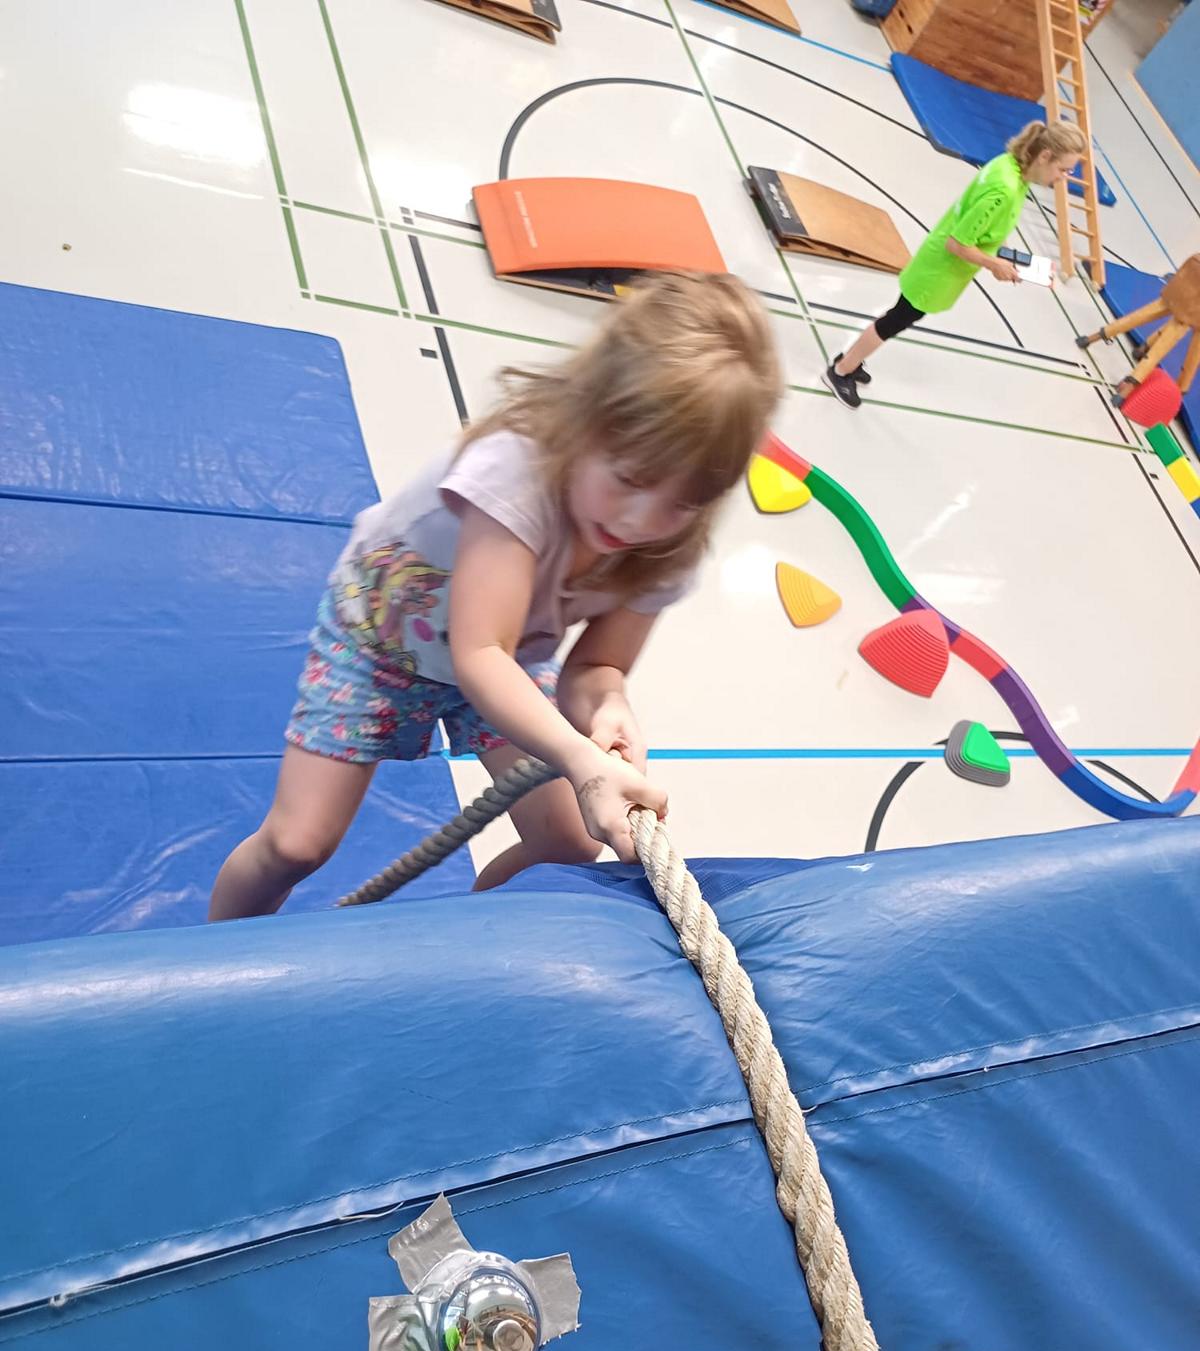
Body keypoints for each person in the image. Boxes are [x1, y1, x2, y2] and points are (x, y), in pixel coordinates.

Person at [208, 271, 781, 918]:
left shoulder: (667, 546)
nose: (640, 521)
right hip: (384, 642)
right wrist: (581, 760)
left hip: (509, 656)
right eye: (629, 479)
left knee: (568, 843)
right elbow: (480, 652)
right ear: (586, 421)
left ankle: (469, 940)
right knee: (296, 844)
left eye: (683, 503)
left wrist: (609, 705)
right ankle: (218, 953)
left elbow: (597, 664)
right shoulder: (516, 472)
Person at [821, 120, 1089, 408]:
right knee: (895, 320)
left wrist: (998, 253)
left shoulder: (1009, 166)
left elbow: (979, 224)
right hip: (939, 270)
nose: (1064, 178)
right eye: (1064, 170)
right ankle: (841, 370)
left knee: (897, 316)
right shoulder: (1005, 191)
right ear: (1045, 156)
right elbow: (957, 243)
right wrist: (994, 264)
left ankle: (852, 360)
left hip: (939, 262)